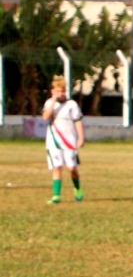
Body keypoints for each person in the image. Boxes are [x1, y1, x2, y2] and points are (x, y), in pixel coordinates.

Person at [42, 75, 85, 204]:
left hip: (69, 141)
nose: (60, 93)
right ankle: (56, 195)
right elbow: (45, 117)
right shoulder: (49, 103)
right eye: (58, 91)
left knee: (72, 168)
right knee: (57, 166)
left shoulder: (72, 104)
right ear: (53, 91)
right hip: (54, 141)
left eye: (62, 91)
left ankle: (77, 188)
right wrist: (54, 102)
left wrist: (81, 138)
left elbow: (78, 122)